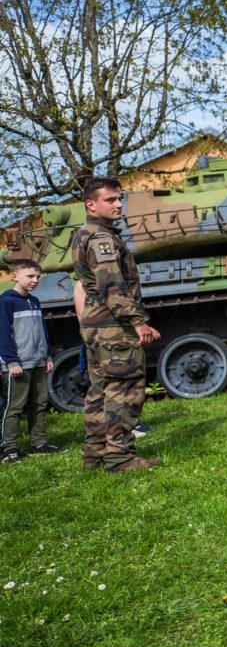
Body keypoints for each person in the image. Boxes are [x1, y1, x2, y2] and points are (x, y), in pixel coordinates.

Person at [72, 177, 162, 472]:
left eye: (119, 199)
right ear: (91, 204)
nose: (118, 204)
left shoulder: (84, 233)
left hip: (97, 325)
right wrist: (138, 323)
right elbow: (112, 285)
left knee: (99, 391)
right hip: (114, 326)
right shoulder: (101, 238)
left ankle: (95, 456)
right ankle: (120, 458)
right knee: (125, 390)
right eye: (110, 200)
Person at [0, 259, 60, 463]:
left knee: (39, 404)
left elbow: (42, 330)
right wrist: (11, 362)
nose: (35, 280)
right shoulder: (6, 301)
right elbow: (3, 335)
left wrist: (47, 356)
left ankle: (39, 444)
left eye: (38, 276)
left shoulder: (34, 300)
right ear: (15, 276)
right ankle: (9, 449)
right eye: (30, 276)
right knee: (14, 408)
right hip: (18, 365)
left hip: (39, 362)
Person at [72, 281, 151, 437]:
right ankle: (108, 430)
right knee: (107, 385)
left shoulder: (101, 279)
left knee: (123, 384)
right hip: (102, 338)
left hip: (110, 336)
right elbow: (83, 315)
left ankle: (126, 425)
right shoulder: (84, 284)